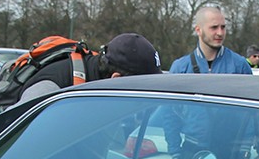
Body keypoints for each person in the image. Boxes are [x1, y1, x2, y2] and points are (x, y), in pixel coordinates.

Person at [10, 31, 161, 104]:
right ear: (116, 79)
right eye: (141, 87)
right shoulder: (50, 89)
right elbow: (12, 139)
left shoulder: (100, 87)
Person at [170, 5, 253, 74]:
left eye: (223, 27)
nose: (220, 33)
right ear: (198, 30)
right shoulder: (180, 68)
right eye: (214, 27)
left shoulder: (240, 66)